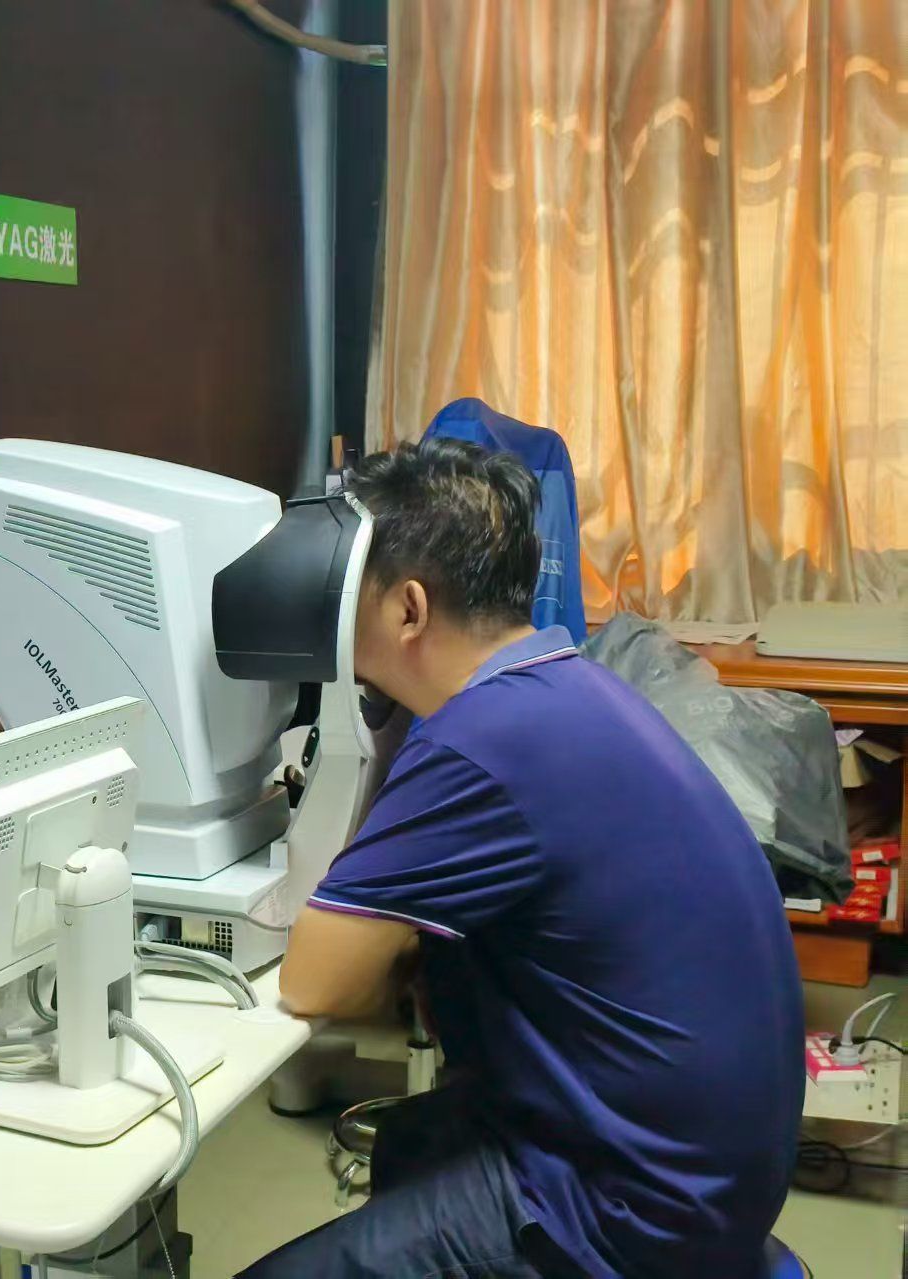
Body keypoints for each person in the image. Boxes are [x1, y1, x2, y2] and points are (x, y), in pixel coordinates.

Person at [244, 440, 803, 1278]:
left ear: (408, 608)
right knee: (410, 1143)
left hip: (628, 1204)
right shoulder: (567, 683)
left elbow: (316, 983)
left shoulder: (478, 739)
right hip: (711, 1170)